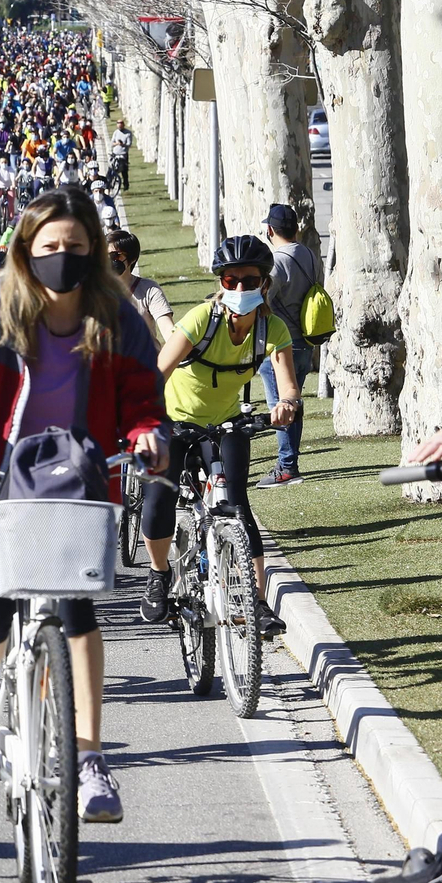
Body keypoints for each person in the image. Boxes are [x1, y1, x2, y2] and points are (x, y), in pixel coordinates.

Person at [0, 187, 169, 823]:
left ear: (94, 249)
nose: (62, 257)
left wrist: (148, 431)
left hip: (71, 486)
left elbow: (141, 392)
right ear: (24, 250)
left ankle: (92, 757)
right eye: (50, 247)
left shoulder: (115, 314)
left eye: (75, 246)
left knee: (77, 615)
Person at [139, 234, 301, 637]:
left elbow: (289, 386)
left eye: (250, 280)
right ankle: (159, 576)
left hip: (227, 422)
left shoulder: (273, 328)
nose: (241, 288)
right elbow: (157, 372)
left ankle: (257, 602)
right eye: (231, 280)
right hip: (174, 420)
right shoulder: (199, 320)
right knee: (159, 495)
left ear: (265, 282)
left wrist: (287, 406)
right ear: (222, 283)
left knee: (238, 506)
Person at [258, 203, 319, 488]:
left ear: (270, 230)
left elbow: (264, 303)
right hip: (307, 339)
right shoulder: (307, 253)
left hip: (283, 343)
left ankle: (286, 467)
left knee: (281, 404)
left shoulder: (276, 261)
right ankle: (290, 462)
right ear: (296, 228)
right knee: (294, 402)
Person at [107, 229, 174, 341]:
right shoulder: (93, 292)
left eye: (115, 256)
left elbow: (168, 331)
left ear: (132, 259)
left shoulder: (149, 290)